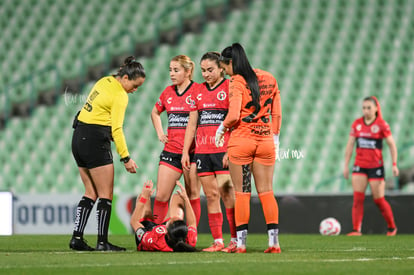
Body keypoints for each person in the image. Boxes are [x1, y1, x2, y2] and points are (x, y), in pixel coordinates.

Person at [69, 56, 145, 251]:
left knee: (90, 192)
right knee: (105, 194)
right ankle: (102, 242)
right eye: (135, 85)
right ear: (126, 77)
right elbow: (117, 129)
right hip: (95, 141)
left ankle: (77, 237)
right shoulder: (121, 95)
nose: (135, 90)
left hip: (78, 137)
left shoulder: (104, 80)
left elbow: (92, 111)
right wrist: (125, 158)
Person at [215, 43, 282, 254]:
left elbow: (234, 115)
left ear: (230, 63)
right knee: (267, 192)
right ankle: (273, 243)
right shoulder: (270, 78)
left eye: (224, 67)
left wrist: (220, 129)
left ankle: (242, 244)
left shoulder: (236, 81)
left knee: (242, 193)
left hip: (242, 141)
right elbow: (277, 114)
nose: (225, 72)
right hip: (265, 142)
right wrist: (276, 138)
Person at [182, 52, 237, 252]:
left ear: (222, 68)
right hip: (202, 152)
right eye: (203, 70)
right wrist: (186, 152)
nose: (205, 74)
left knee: (227, 195)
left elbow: (236, 120)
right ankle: (218, 241)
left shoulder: (230, 87)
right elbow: (192, 123)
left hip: (222, 150)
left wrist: (230, 150)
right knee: (211, 195)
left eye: (210, 70)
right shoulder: (197, 90)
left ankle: (235, 241)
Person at [151, 55, 201, 225]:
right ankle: (158, 232)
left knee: (192, 195)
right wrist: (159, 133)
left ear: (188, 72)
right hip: (171, 150)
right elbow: (155, 112)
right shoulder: (168, 92)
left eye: (176, 70)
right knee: (160, 196)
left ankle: (192, 234)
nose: (171, 73)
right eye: (170, 70)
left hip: (193, 153)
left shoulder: (198, 90)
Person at [343, 96, 398, 236]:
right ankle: (356, 230)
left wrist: (394, 164)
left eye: (369, 108)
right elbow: (349, 146)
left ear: (375, 109)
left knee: (379, 199)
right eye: (364, 108)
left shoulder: (382, 125)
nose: (366, 111)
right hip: (360, 165)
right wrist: (345, 165)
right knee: (358, 198)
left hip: (376, 167)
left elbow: (392, 145)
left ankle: (392, 227)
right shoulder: (357, 124)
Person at [130, 180, 197, 252]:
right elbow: (192, 223)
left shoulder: (153, 241)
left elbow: (134, 222)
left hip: (148, 231)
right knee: (178, 197)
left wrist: (144, 197)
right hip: (164, 233)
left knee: (144, 206)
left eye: (172, 220)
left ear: (166, 231)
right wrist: (186, 198)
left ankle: (145, 205)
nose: (173, 217)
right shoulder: (189, 239)